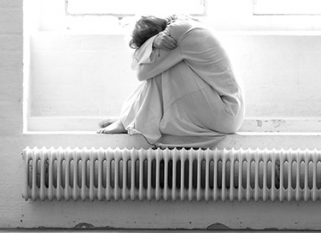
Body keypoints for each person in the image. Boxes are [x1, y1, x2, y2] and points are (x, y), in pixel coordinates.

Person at [97, 15, 245, 148]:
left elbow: (142, 73)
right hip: (230, 112)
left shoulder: (176, 32)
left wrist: (151, 44)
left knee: (160, 69)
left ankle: (127, 120)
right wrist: (153, 42)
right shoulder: (188, 25)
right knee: (164, 65)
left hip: (224, 113)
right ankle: (128, 119)